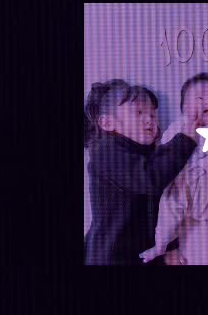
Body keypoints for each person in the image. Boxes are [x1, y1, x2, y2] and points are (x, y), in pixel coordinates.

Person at [83, 80, 196, 265]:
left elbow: (166, 206)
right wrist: (185, 140)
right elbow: (150, 179)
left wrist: (170, 248)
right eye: (139, 112)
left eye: (153, 114)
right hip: (111, 255)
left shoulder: (151, 156)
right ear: (108, 123)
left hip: (143, 253)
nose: (150, 119)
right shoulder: (105, 152)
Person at [139, 73, 208, 266]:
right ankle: (161, 243)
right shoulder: (177, 129)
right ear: (184, 109)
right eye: (200, 98)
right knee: (171, 205)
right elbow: (165, 154)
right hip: (187, 187)